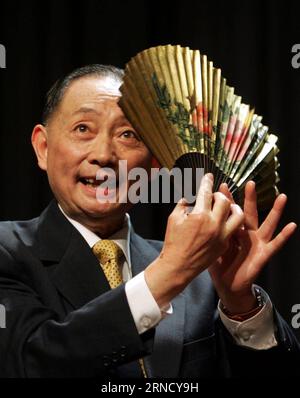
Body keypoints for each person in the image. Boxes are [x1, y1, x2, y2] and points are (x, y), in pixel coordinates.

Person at [0, 64, 298, 378]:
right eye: (83, 129)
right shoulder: (9, 253)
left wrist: (241, 305)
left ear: (154, 165)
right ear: (43, 147)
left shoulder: (204, 276)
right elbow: (28, 362)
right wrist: (167, 275)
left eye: (128, 134)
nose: (103, 154)